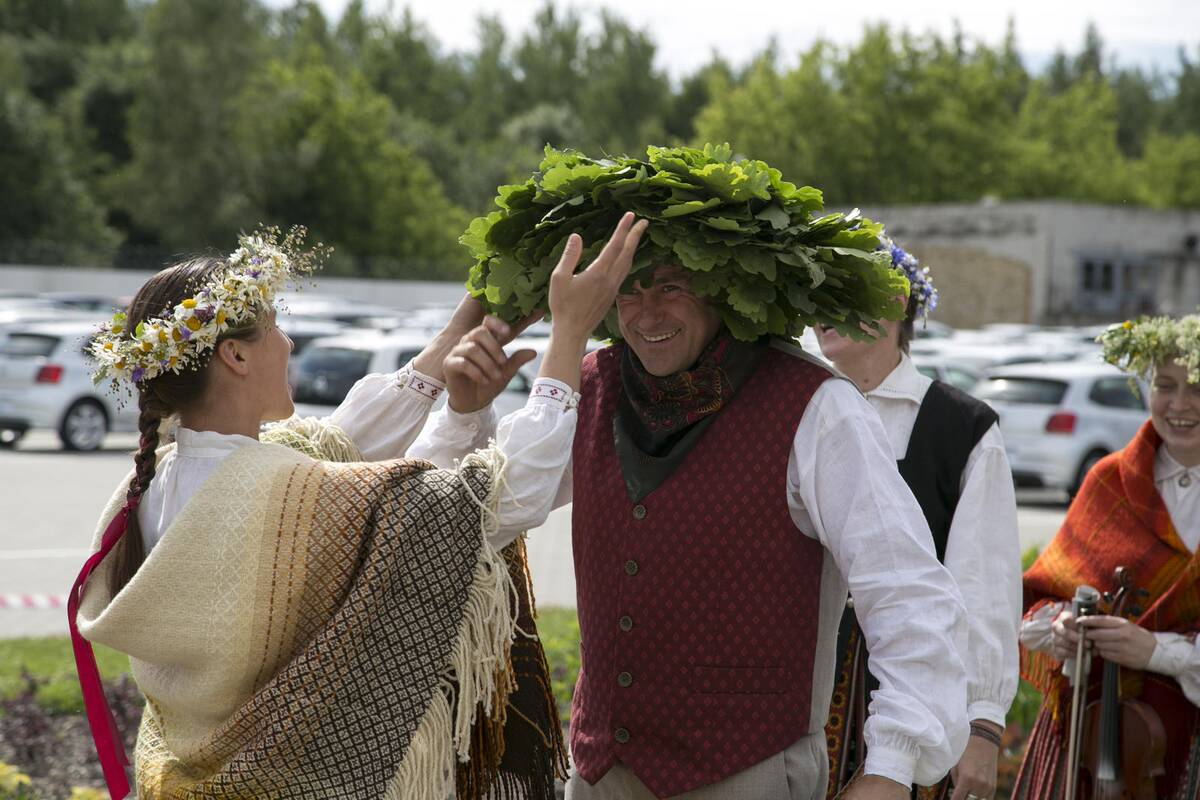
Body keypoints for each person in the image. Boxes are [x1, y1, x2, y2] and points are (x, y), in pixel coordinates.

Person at [422, 145, 971, 800]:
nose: (647, 312)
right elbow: (481, 515)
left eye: (671, 286)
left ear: (726, 287)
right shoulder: (590, 386)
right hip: (601, 774)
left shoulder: (816, 406)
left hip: (746, 772)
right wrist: (465, 412)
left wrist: (892, 766)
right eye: (628, 288)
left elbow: (905, 587)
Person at [70, 217, 647, 800]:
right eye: (274, 328)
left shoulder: (154, 482)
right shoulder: (282, 491)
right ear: (235, 356)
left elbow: (341, 450)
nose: (288, 343)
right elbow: (500, 496)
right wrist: (568, 336)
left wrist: (460, 360)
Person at [817, 237, 1021, 800]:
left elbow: (983, 580)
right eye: (818, 293)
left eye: (842, 291)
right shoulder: (796, 409)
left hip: (913, 688)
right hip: (800, 683)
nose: (823, 308)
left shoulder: (962, 427)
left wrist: (982, 721)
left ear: (894, 301)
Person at [1014, 314, 1200, 798]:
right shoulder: (1108, 480)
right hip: (1092, 737)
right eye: (1165, 385)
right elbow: (1040, 600)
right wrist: (1062, 628)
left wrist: (1157, 652)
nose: (1180, 404)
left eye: (1197, 387)